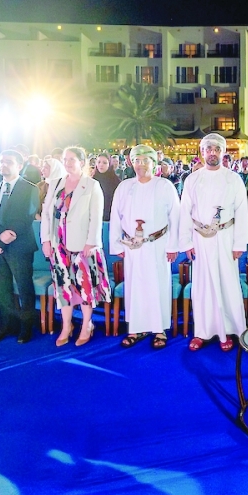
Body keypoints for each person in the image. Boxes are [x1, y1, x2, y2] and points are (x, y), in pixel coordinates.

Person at [179, 134, 248, 352]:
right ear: (202, 152)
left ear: (223, 152)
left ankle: (229, 330)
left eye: (217, 149)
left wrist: (239, 244)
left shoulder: (233, 179)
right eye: (208, 149)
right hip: (200, 239)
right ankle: (202, 331)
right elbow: (185, 211)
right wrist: (186, 242)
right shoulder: (192, 179)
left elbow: (242, 211)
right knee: (202, 286)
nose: (212, 153)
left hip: (226, 238)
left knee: (227, 283)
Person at [110, 145, 180, 349]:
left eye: (145, 160)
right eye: (136, 161)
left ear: (154, 163)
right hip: (132, 246)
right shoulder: (125, 187)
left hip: (158, 244)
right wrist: (117, 244)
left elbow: (175, 217)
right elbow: (115, 217)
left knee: (158, 285)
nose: (140, 165)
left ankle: (159, 329)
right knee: (135, 286)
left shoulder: (164, 186)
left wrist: (173, 246)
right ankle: (136, 328)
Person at [41, 146, 111, 347]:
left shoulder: (91, 185)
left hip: (83, 245)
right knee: (63, 286)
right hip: (58, 244)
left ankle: (86, 324)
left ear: (82, 162)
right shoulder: (56, 183)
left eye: (72, 159)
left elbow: (96, 217)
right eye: (65, 159)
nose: (68, 163)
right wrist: (46, 240)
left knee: (84, 286)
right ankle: (66, 326)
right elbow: (47, 214)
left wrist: (91, 242)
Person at [0, 149, 41, 344]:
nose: (3, 165)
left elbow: (26, 217)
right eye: (1, 161)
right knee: (2, 289)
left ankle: (26, 327)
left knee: (24, 288)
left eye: (8, 161)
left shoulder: (30, 188)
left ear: (19, 165)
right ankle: (6, 325)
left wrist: (2, 242)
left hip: (20, 246)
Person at [91, 153, 121, 222]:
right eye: (99, 162)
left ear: (109, 164)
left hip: (110, 219)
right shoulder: (92, 180)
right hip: (94, 218)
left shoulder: (115, 181)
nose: (101, 165)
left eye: (104, 163)